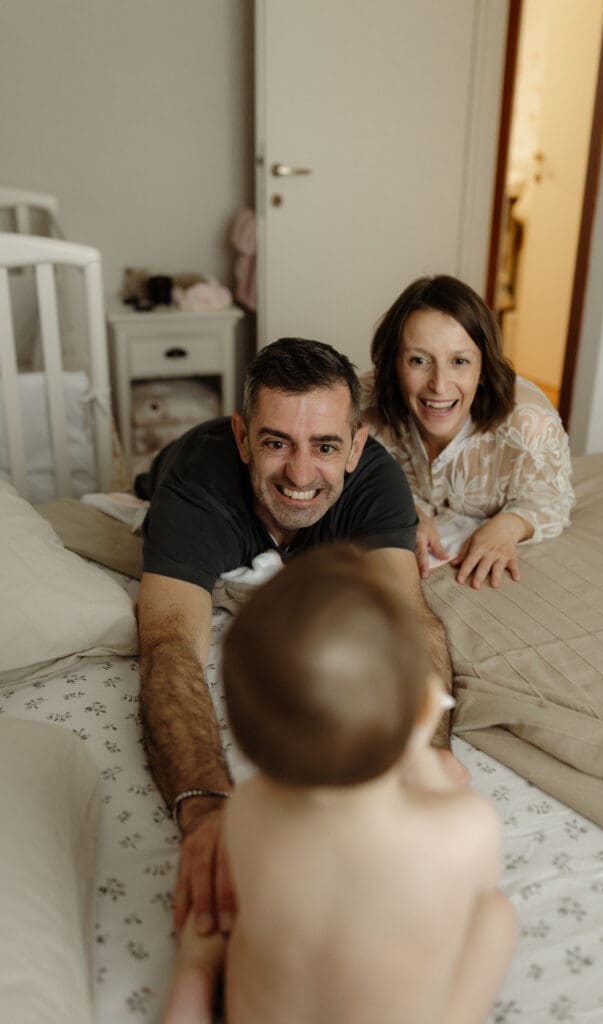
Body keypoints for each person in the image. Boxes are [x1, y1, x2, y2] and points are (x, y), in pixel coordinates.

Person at [134, 337, 460, 948]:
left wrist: (428, 757)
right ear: (242, 438)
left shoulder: (376, 483)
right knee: (147, 479)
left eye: (326, 447)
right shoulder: (197, 488)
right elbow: (169, 648)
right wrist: (206, 809)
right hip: (170, 469)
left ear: (356, 447)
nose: (301, 474)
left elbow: (412, 621)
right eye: (276, 443)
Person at [162, 544, 516, 1024]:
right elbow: (476, 882)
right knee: (494, 917)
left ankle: (196, 976)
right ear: (421, 713)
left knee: (221, 920)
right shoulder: (464, 830)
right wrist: (423, 757)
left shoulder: (247, 810)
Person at [363, 275, 575, 588]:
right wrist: (407, 512)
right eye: (418, 360)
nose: (439, 385)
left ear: (484, 368)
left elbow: (553, 500)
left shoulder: (530, 424)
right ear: (394, 365)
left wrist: (508, 526)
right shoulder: (362, 410)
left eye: (460, 361)